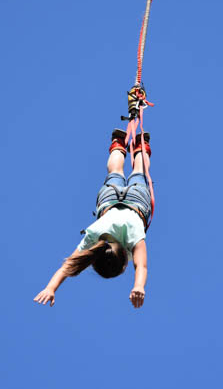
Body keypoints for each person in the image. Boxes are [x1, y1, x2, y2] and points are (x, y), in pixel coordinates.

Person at [33, 128, 152, 309]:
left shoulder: (133, 236)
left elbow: (141, 266)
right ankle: (118, 144)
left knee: (139, 171)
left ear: (124, 263)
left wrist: (138, 286)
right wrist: (50, 288)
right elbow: (68, 267)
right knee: (115, 171)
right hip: (109, 200)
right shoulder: (93, 237)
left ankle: (141, 146)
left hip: (137, 203)